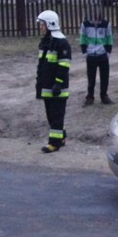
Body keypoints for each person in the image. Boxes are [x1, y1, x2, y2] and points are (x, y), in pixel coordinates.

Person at [35, 10, 71, 153]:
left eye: (42, 24)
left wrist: (58, 83)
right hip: (47, 86)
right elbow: (42, 66)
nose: (40, 27)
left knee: (56, 114)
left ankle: (54, 143)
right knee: (50, 114)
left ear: (50, 25)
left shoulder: (61, 43)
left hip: (57, 87)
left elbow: (64, 65)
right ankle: (60, 136)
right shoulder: (45, 42)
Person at [80, 5, 113, 106]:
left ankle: (104, 96)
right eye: (93, 18)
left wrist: (108, 52)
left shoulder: (106, 24)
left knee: (105, 77)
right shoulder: (85, 24)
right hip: (90, 55)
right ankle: (90, 97)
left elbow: (109, 38)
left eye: (97, 18)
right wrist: (85, 53)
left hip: (102, 55)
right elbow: (82, 38)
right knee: (91, 78)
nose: (95, 21)